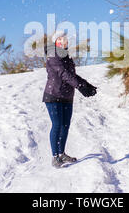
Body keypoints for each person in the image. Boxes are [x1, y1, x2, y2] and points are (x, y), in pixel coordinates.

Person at [42, 30, 97, 168]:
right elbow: (64, 74)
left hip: (66, 96)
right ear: (56, 41)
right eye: (62, 38)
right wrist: (79, 86)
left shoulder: (66, 56)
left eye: (66, 38)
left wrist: (85, 84)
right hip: (53, 95)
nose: (65, 40)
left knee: (65, 125)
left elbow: (72, 74)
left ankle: (62, 153)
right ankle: (55, 157)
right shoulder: (53, 54)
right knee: (57, 125)